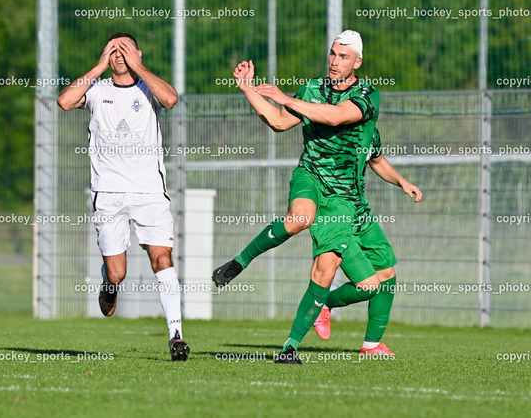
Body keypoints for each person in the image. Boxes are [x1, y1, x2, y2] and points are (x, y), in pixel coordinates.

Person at [213, 30, 419, 364]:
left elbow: (357, 137)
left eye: (343, 57)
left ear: (358, 62)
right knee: (302, 223)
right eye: (333, 54)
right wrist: (248, 89)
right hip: (312, 179)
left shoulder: (368, 97)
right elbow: (279, 122)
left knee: (381, 281)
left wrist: (403, 182)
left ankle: (369, 343)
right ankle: (245, 270)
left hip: (350, 201)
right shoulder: (311, 89)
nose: (335, 61)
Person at [57, 33, 189, 361]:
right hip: (109, 193)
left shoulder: (148, 87)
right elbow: (64, 101)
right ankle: (108, 283)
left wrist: (139, 67)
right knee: (118, 273)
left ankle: (176, 336)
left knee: (163, 259)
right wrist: (99, 66)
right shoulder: (98, 90)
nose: (120, 54)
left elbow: (171, 99)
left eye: (125, 49)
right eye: (113, 49)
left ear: (138, 53)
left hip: (149, 192)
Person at [311, 127, 422, 354]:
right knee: (368, 286)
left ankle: (371, 345)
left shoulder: (369, 130)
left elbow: (377, 161)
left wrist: (402, 182)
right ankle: (323, 303)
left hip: (361, 214)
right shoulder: (328, 125)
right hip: (335, 217)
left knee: (386, 273)